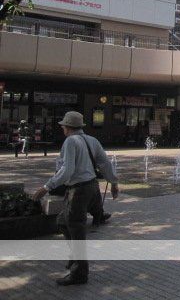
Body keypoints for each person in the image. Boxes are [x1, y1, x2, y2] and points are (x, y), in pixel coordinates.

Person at [32, 111, 119, 286]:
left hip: (78, 191)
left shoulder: (70, 141)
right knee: (63, 221)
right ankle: (74, 257)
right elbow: (105, 163)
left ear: (68, 127)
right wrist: (114, 182)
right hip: (92, 187)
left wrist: (46, 187)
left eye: (63, 125)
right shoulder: (91, 140)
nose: (62, 128)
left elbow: (67, 170)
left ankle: (80, 273)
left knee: (76, 230)